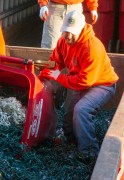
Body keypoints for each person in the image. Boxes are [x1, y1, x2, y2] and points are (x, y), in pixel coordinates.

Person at [39, 10, 118, 158]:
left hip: (102, 85)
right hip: (80, 82)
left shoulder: (92, 47)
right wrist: (43, 76)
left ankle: (89, 153)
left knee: (81, 110)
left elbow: (85, 81)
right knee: (69, 121)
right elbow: (56, 61)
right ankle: (72, 145)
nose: (68, 36)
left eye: (72, 33)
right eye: (65, 31)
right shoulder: (63, 41)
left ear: (81, 29)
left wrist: (59, 77)